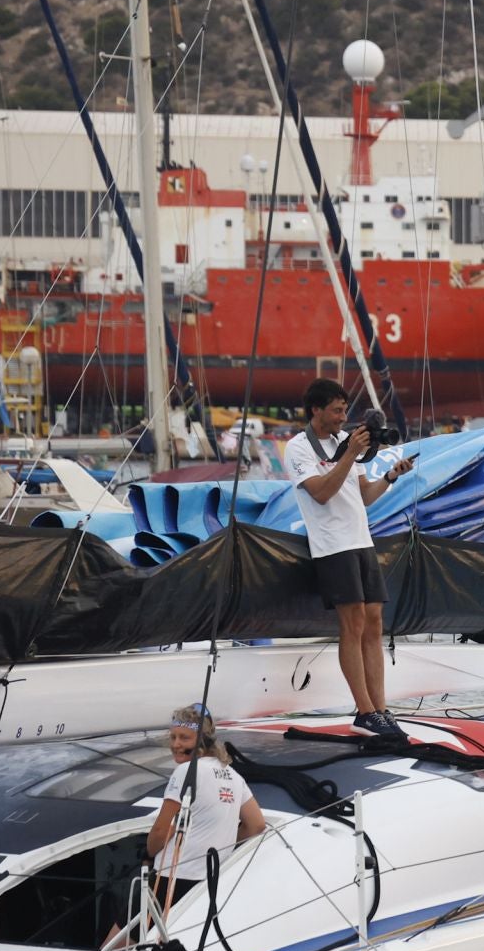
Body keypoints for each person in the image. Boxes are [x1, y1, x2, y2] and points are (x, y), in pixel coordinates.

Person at [284, 378, 415, 742]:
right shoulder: (298, 448)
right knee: (353, 623)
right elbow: (322, 494)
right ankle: (364, 711)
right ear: (316, 410)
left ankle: (380, 708)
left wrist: (390, 476)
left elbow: (365, 496)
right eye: (337, 411)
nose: (344, 418)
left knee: (374, 622)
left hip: (360, 539)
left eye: (345, 410)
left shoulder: (343, 445)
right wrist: (347, 455)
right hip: (332, 545)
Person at [146, 705, 264, 913]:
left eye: (184, 738)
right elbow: (256, 825)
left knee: (118, 942)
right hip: (210, 879)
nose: (176, 744)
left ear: (202, 741)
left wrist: (147, 853)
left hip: (172, 877)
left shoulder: (185, 771)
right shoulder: (233, 776)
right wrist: (222, 846)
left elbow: (159, 831)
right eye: (173, 737)